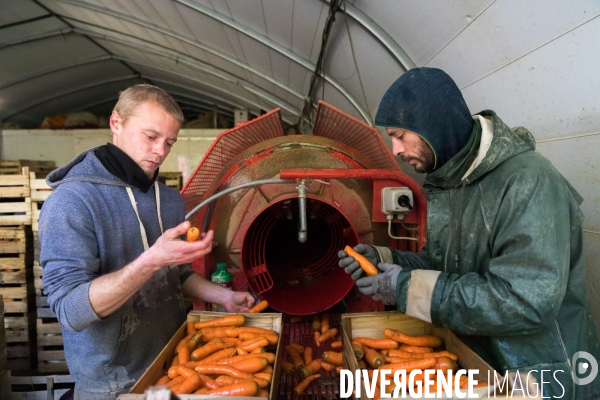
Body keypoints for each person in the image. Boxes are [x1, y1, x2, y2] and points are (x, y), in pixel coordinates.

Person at [338, 68, 600, 398]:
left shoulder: (528, 183)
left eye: (400, 135)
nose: (395, 151)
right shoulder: (453, 182)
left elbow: (525, 300)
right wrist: (384, 260)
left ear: (433, 126)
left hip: (540, 374)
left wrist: (402, 286)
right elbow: (443, 263)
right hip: (481, 365)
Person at [39, 84, 255, 400]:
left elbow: (176, 274)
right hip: (112, 387)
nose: (160, 152)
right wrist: (151, 259)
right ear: (117, 122)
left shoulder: (168, 200)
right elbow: (72, 311)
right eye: (151, 137)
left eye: (169, 142)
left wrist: (221, 296)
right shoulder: (71, 201)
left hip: (171, 368)